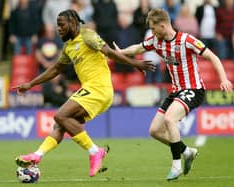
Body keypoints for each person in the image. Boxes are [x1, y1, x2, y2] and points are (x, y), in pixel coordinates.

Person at [13, 9, 155, 177]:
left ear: (73, 23)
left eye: (61, 25)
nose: (59, 29)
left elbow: (109, 53)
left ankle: (95, 151)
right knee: (61, 124)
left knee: (60, 115)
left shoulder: (88, 36)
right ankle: (37, 156)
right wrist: (30, 84)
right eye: (57, 26)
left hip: (99, 89)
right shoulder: (69, 47)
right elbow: (55, 69)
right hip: (90, 90)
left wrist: (135, 63)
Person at [113, 8, 233, 181]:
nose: (152, 32)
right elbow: (138, 48)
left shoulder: (187, 40)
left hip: (193, 89)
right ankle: (187, 151)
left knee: (170, 119)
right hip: (176, 91)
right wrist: (120, 52)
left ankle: (176, 165)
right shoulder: (156, 41)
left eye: (153, 28)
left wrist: (224, 79)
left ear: (163, 26)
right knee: (154, 131)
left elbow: (212, 56)